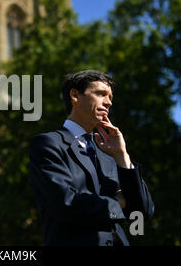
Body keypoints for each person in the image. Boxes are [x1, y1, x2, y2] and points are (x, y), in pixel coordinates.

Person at [28, 70, 154, 246]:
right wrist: (118, 203)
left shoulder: (110, 156)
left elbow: (140, 214)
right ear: (75, 95)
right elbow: (66, 205)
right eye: (101, 94)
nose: (109, 102)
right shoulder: (48, 144)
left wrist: (122, 155)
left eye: (110, 97)